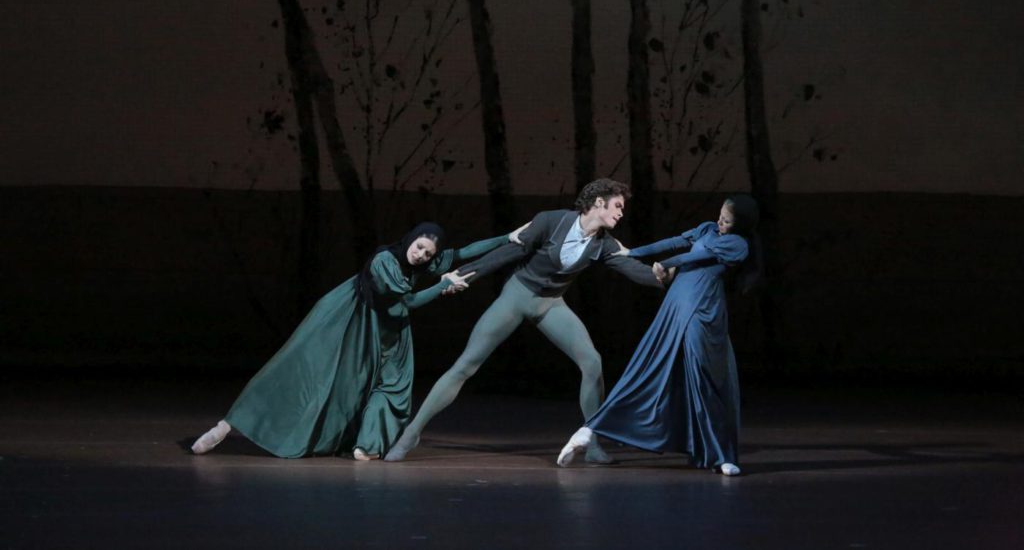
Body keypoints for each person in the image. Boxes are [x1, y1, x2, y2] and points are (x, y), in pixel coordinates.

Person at [384, 179, 666, 463]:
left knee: (592, 361)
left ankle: (592, 443)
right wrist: (466, 274)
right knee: (465, 365)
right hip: (517, 297)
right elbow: (510, 251)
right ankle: (411, 434)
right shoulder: (551, 222)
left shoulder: (603, 244)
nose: (620, 213)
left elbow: (633, 269)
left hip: (551, 304)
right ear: (598, 203)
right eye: (617, 206)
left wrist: (666, 274)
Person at [190, 222, 521, 460]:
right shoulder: (385, 262)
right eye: (419, 247)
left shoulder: (421, 262)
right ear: (410, 239)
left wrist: (509, 237)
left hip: (387, 331)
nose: (421, 255)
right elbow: (407, 302)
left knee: (386, 387)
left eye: (428, 252)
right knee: (296, 373)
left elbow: (463, 252)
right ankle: (224, 427)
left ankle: (366, 444)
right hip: (346, 322)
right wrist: (441, 285)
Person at [556, 195, 760, 476]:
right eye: (720, 216)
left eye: (726, 220)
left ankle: (719, 454)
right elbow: (675, 242)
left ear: (741, 225)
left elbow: (695, 257)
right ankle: (589, 430)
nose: (719, 222)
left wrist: (666, 264)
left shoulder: (738, 244)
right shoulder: (707, 229)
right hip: (680, 303)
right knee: (652, 367)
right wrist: (633, 253)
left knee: (702, 377)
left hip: (703, 308)